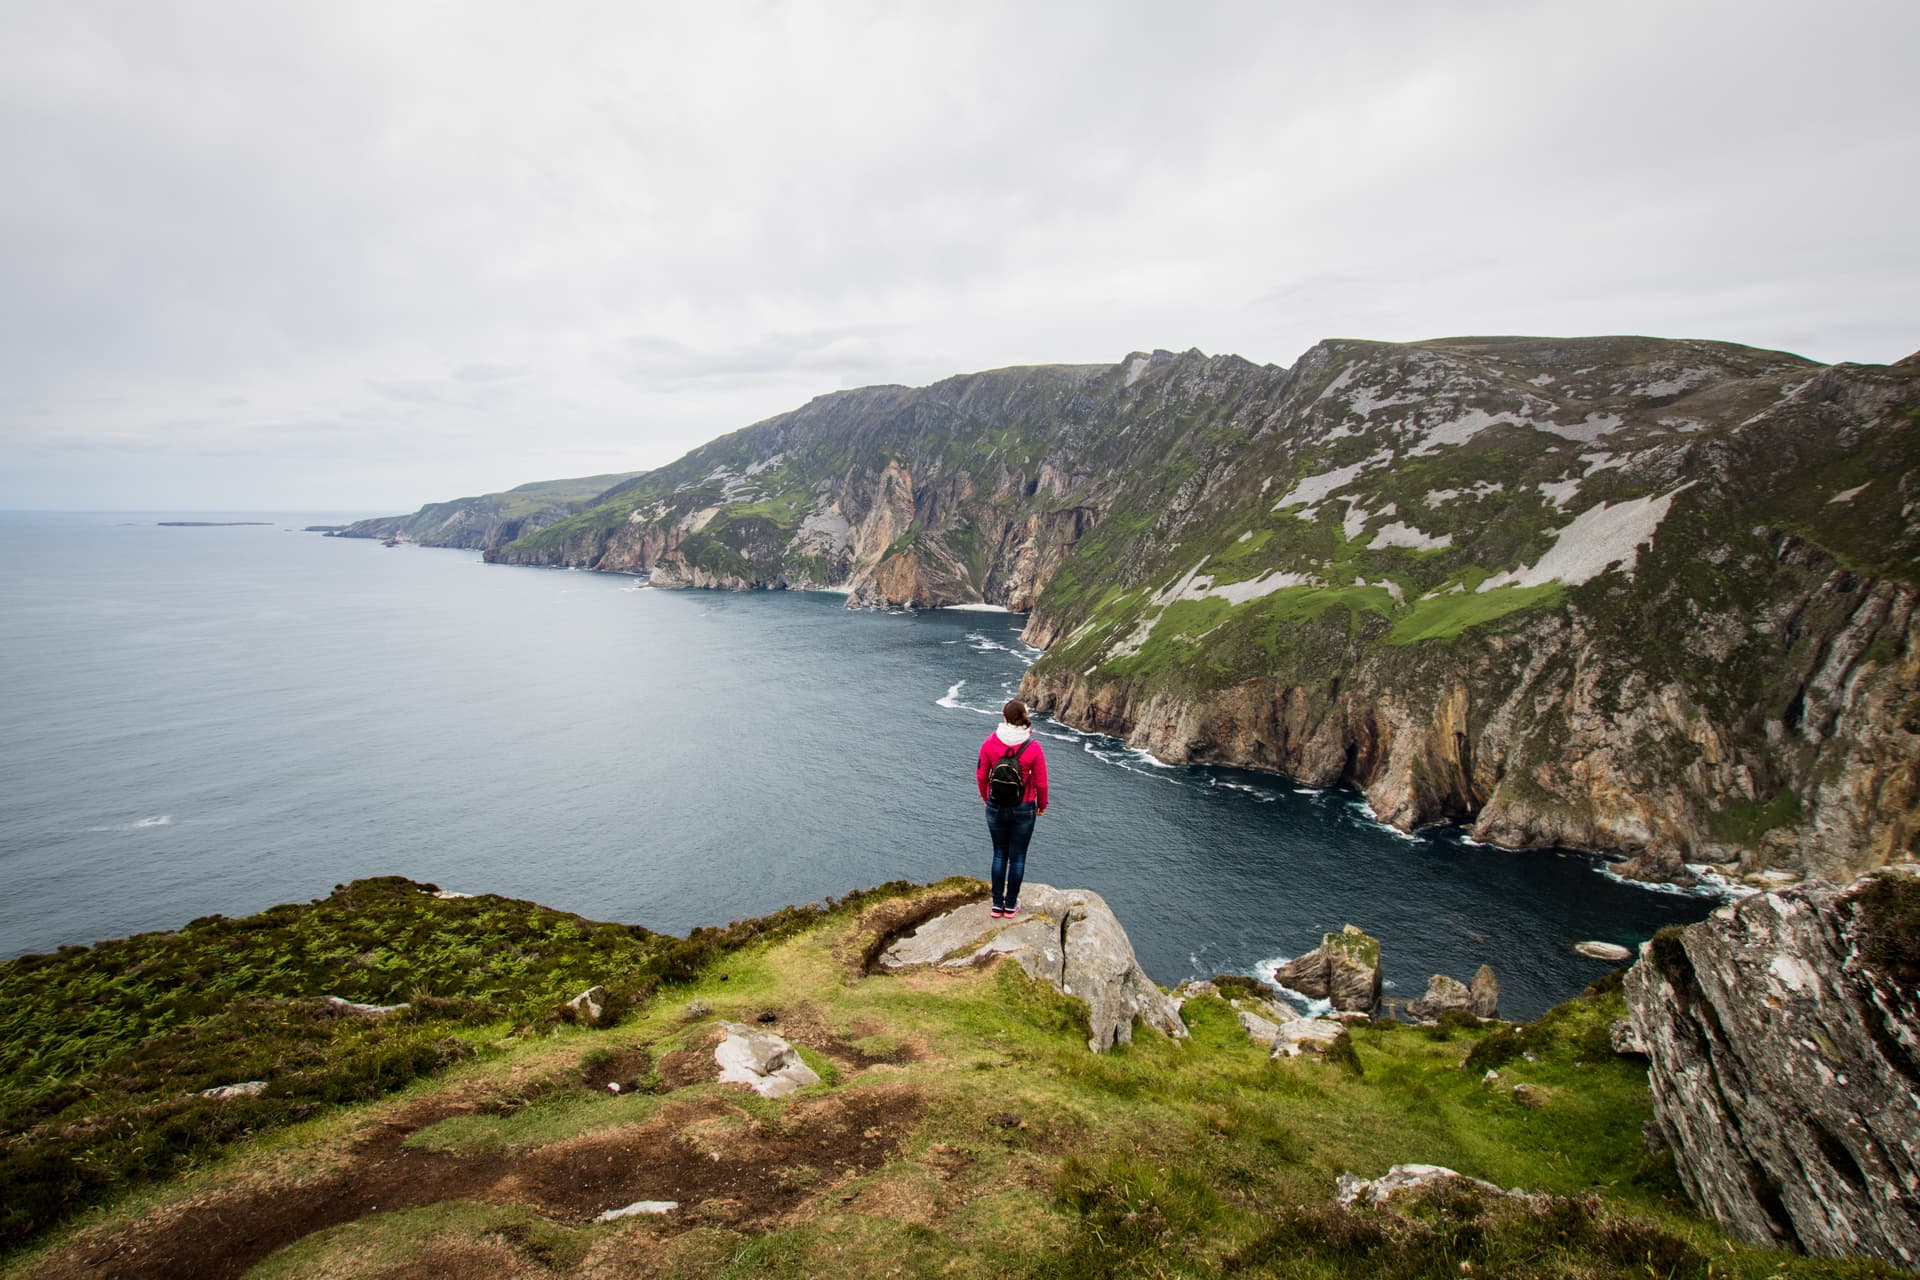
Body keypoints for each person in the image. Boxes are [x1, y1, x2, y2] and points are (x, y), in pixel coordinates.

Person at [976, 698, 1049, 919]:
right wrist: (1042, 805)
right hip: (1024, 807)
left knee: (999, 854)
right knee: (1017, 857)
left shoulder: (990, 743)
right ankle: (1011, 904)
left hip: (995, 805)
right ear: (1023, 717)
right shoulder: (1033, 747)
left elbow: (981, 774)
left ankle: (997, 905)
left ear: (1004, 717)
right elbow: (1041, 782)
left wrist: (985, 797)